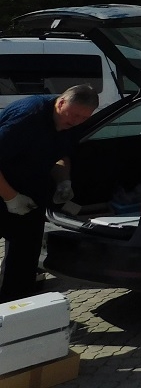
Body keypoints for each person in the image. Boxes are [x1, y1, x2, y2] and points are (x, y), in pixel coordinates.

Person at [0, 84, 98, 302]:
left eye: (84, 118)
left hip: (29, 189)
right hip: (4, 184)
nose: (76, 121)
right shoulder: (28, 117)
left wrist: (64, 181)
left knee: (25, 249)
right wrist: (11, 197)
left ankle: (16, 303)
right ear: (60, 102)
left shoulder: (71, 123)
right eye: (74, 115)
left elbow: (61, 154)